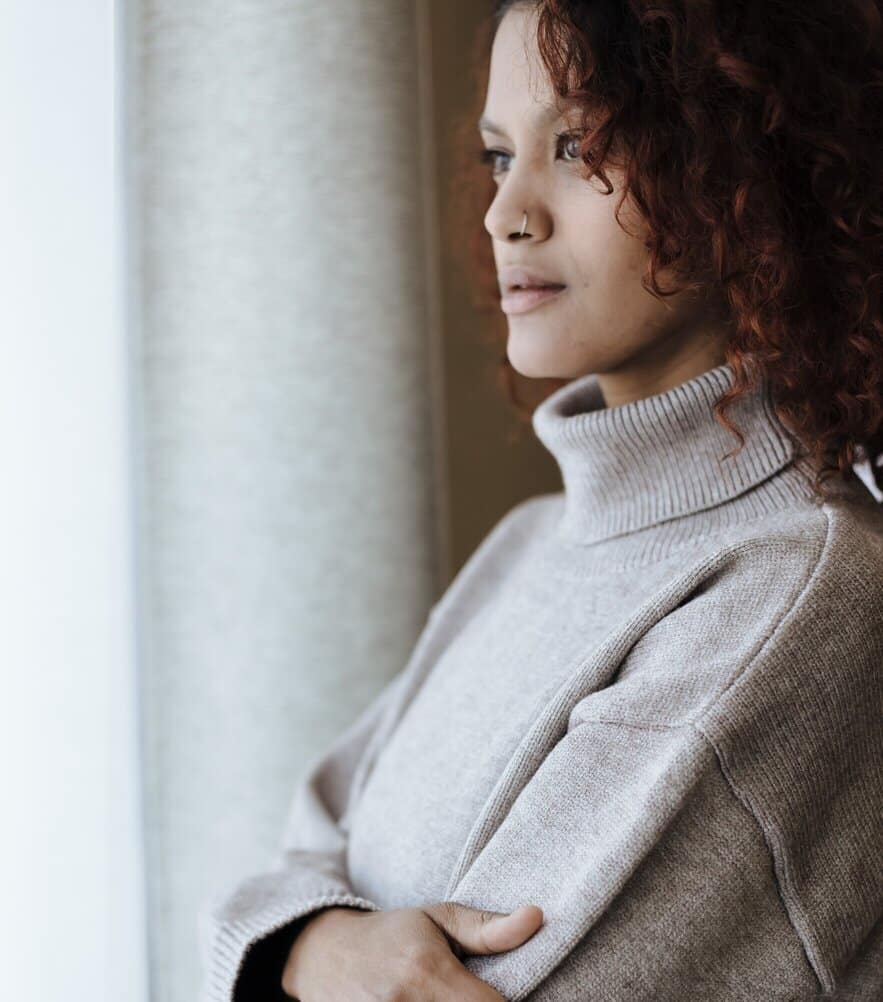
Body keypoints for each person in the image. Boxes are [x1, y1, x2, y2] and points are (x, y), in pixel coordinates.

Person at [198, 1, 883, 999]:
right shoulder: (528, 546)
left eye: (577, 144)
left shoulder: (799, 594)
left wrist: (303, 947)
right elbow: (300, 847)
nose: (505, 211)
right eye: (494, 156)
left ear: (742, 162)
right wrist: (312, 948)